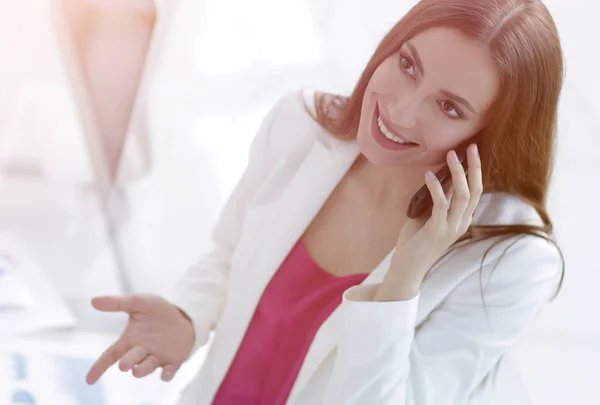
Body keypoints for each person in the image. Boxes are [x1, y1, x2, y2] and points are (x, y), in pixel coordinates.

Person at [84, 0, 566, 404]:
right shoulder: (302, 123)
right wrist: (188, 318)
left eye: (449, 107)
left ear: (491, 133)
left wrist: (403, 279)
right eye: (407, 65)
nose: (400, 110)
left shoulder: (508, 262)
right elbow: (230, 255)